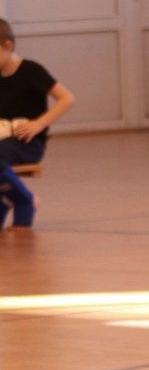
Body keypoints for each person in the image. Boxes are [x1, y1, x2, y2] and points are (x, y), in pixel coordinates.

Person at [0, 19, 75, 229]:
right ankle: (7, 197)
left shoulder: (31, 71)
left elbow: (67, 99)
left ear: (7, 45)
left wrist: (39, 124)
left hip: (27, 143)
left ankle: (25, 199)